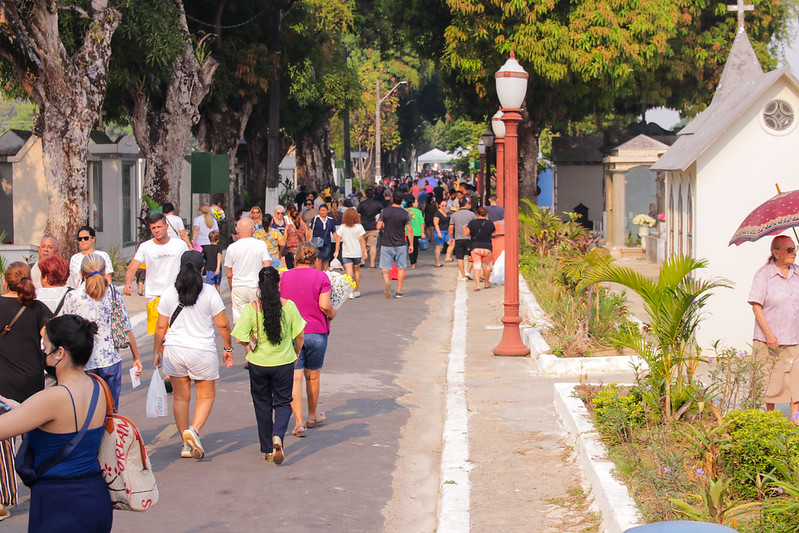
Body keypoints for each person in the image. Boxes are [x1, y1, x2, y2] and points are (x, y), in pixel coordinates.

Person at [0, 315, 112, 531]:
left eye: (46, 346)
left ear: (60, 352)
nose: (42, 351)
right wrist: (18, 407)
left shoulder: (53, 398)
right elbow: (66, 424)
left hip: (61, 502)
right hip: (95, 497)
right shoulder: (97, 386)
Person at [153, 251, 233, 459]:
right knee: (206, 395)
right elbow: (223, 324)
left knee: (181, 398)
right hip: (202, 351)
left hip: (174, 351)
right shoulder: (209, 292)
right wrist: (228, 348)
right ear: (203, 269)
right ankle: (194, 431)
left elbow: (160, 327)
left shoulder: (169, 293)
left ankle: (185, 445)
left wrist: (155, 353)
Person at [231, 267, 305, 464]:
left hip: (258, 365)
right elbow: (300, 335)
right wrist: (296, 353)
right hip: (284, 363)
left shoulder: (251, 308)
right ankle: (278, 435)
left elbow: (239, 338)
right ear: (279, 284)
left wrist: (250, 347)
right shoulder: (289, 307)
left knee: (262, 405)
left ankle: (267, 449)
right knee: (283, 402)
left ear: (259, 286)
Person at [0, 262, 52, 521]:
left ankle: (4, 496)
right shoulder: (38, 308)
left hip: (2, 384)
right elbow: (51, 340)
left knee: (3, 441)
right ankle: (43, 482)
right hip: (32, 381)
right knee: (36, 436)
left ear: (4, 281)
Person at [61, 254, 142, 408]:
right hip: (110, 361)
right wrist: (136, 357)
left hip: (82, 363)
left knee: (86, 411)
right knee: (111, 411)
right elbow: (125, 326)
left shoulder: (72, 296)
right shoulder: (112, 292)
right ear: (105, 272)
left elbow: (66, 331)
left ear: (81, 273)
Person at [280, 243, 336, 438]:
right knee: (313, 376)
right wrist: (332, 312)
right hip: (316, 332)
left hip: (292, 332)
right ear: (315, 259)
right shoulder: (321, 276)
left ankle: (298, 422)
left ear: (296, 257)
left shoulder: (285, 276)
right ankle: (312, 415)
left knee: (295, 377)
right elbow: (324, 304)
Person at [749, 235, 799, 422]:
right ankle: (769, 423)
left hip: (795, 339)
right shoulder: (764, 274)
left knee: (797, 385)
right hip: (770, 340)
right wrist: (769, 334)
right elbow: (756, 305)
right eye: (788, 249)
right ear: (775, 252)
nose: (793, 253)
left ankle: (795, 425)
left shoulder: (797, 273)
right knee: (770, 385)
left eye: (794, 248)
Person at [124, 214, 188, 335]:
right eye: (153, 228)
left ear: (166, 226)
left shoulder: (180, 245)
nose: (156, 230)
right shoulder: (145, 247)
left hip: (176, 295)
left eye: (159, 226)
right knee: (161, 336)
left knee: (177, 334)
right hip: (154, 297)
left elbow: (188, 267)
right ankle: (165, 355)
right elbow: (132, 267)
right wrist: (128, 283)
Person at [225, 217, 271, 323]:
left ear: (237, 230)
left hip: (239, 287)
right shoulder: (261, 245)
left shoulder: (232, 248)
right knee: (258, 319)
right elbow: (267, 267)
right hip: (256, 286)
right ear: (253, 230)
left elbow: (229, 274)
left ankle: (244, 339)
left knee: (241, 322)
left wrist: (232, 288)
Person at [378, 190, 414, 299]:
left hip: (386, 243)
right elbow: (410, 230)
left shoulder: (384, 211)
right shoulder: (405, 213)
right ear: (402, 200)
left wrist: (384, 229)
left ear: (392, 198)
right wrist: (411, 244)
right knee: (401, 268)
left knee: (384, 268)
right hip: (400, 244)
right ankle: (399, 291)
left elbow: (378, 226)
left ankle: (387, 281)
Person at [334, 208, 367, 298]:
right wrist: (365, 251)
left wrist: (336, 250)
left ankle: (350, 292)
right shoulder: (359, 227)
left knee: (349, 272)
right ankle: (356, 290)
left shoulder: (342, 227)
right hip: (357, 252)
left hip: (346, 252)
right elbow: (362, 240)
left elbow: (337, 239)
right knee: (356, 271)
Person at [463, 207, 496, 291]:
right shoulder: (490, 223)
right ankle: (486, 283)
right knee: (487, 266)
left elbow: (466, 233)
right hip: (487, 247)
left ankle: (477, 285)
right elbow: (494, 232)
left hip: (475, 247)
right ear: (486, 214)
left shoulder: (472, 223)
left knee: (476, 266)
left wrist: (464, 227)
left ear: (477, 214)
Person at [449, 198, 476, 282]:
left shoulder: (454, 215)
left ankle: (463, 276)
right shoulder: (472, 214)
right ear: (466, 204)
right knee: (471, 256)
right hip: (469, 237)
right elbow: (475, 225)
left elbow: (451, 227)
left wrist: (450, 238)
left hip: (458, 238)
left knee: (459, 257)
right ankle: (468, 271)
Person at [357, 188, 384, 268]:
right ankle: (372, 263)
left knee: (362, 244)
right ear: (374, 195)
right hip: (374, 227)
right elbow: (382, 214)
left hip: (363, 227)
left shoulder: (361, 204)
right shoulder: (378, 204)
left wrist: (358, 224)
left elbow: (358, 215)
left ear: (365, 195)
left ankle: (362, 260)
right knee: (373, 245)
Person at [307, 204, 336, 271]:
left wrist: (337, 242)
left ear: (327, 211)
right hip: (316, 242)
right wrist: (308, 240)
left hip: (327, 242)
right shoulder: (315, 219)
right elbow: (310, 230)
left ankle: (325, 272)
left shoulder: (330, 220)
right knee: (318, 258)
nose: (322, 212)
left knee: (326, 259)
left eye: (324, 210)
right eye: (321, 210)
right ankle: (318, 272)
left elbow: (334, 232)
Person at [406, 198, 425, 269]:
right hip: (417, 232)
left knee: (410, 246)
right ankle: (414, 261)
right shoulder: (418, 211)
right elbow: (421, 223)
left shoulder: (405, 211)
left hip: (407, 231)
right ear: (413, 203)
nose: (418, 203)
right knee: (416, 247)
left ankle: (412, 262)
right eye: (417, 202)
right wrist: (422, 232)